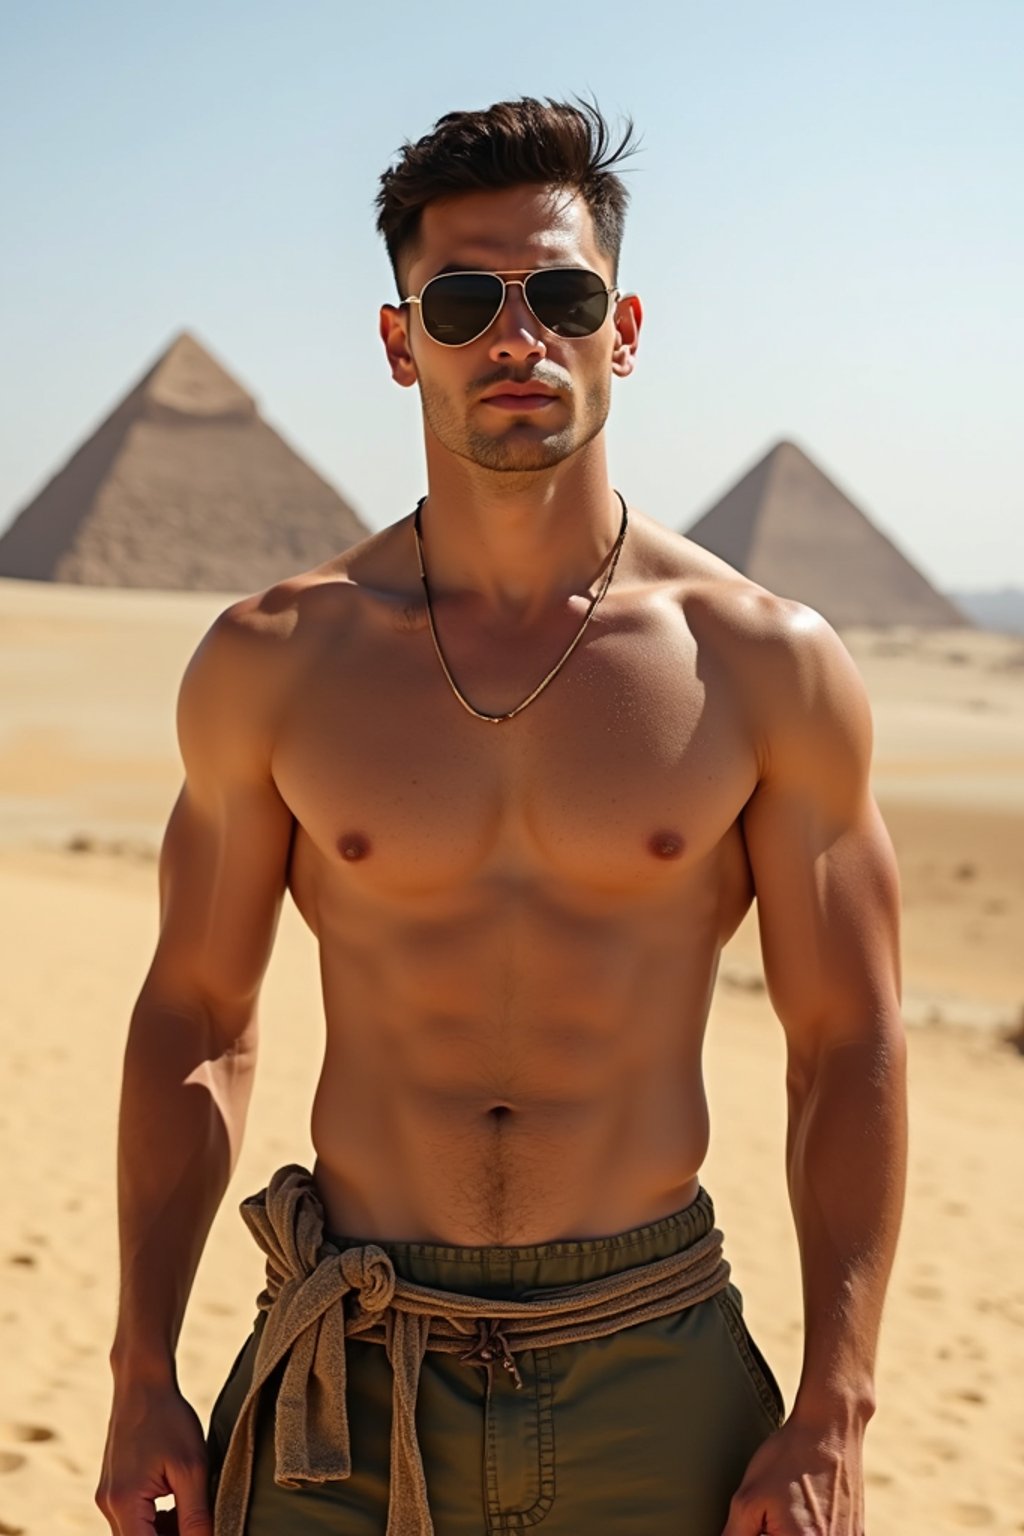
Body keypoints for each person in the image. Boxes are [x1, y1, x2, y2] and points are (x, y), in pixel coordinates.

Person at [96, 97, 907, 1536]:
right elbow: (198, 1017)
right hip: (345, 1371)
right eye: (464, 302)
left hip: (650, 1366)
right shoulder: (277, 660)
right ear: (403, 340)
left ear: (627, 325)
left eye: (563, 295)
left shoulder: (765, 663)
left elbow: (847, 1042)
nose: (516, 340)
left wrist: (834, 1409)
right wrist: (138, 1366)